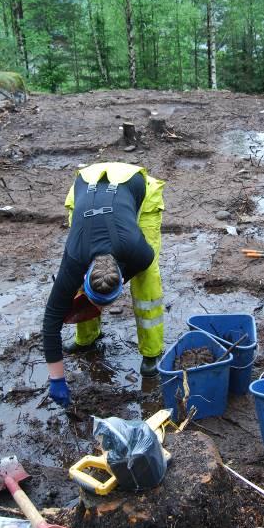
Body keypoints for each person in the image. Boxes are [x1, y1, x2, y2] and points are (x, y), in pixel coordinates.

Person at [43, 162, 165, 407]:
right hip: (87, 181)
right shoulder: (75, 259)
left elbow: (137, 269)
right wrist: (56, 379)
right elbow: (50, 322)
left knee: (147, 283)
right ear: (85, 274)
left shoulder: (139, 254)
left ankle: (152, 353)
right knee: (74, 291)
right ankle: (86, 338)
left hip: (134, 185)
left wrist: (109, 286)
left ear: (121, 277)